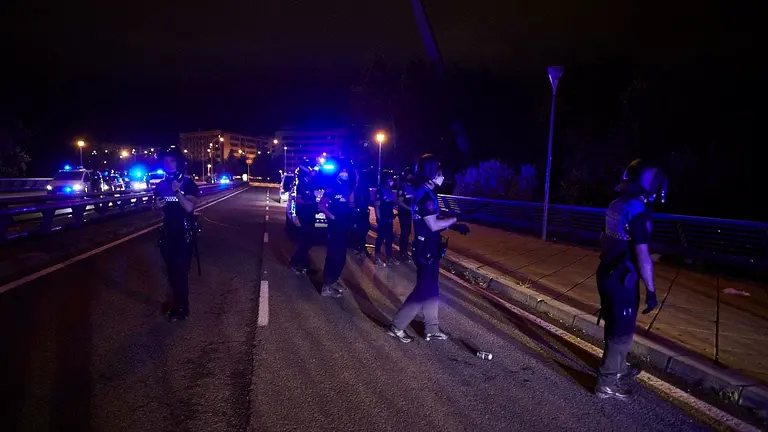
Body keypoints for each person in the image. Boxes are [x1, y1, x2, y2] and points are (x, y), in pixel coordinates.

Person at [594, 159, 667, 399]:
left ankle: (617, 367)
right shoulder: (638, 213)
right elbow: (643, 257)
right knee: (622, 331)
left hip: (606, 273)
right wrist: (651, 291)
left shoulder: (616, 204)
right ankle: (607, 383)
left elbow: (604, 240)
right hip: (623, 280)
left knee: (614, 322)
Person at [389, 154, 470, 343]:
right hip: (425, 248)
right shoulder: (424, 196)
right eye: (440, 173)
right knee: (423, 289)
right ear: (431, 174)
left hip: (429, 246)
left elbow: (433, 219)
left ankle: (431, 328)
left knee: (432, 287)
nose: (443, 177)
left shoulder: (425, 193)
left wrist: (454, 224)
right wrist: (456, 219)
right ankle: (397, 326)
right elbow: (433, 225)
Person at [153, 146, 200, 322]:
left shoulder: (188, 183)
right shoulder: (160, 185)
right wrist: (156, 206)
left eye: (172, 161)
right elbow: (156, 208)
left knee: (180, 271)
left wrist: (177, 192)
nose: (168, 164)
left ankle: (182, 308)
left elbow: (189, 207)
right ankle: (177, 304)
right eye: (166, 161)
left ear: (179, 163)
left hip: (184, 233)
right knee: (171, 272)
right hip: (167, 233)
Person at [318, 161, 355, 298]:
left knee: (341, 258)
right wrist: (332, 217)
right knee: (333, 256)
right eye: (343, 172)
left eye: (346, 172)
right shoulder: (331, 188)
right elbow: (321, 206)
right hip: (335, 228)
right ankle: (326, 286)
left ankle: (334, 280)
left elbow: (350, 203)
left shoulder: (347, 188)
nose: (345, 174)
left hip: (344, 227)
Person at [289, 158, 317, 274]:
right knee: (306, 242)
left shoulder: (310, 183)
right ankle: (295, 262)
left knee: (309, 242)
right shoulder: (302, 184)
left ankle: (305, 265)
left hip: (310, 216)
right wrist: (311, 203)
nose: (314, 172)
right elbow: (299, 200)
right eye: (313, 170)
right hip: (304, 216)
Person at [374, 173, 398, 266]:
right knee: (380, 238)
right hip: (382, 218)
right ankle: (377, 257)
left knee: (389, 238)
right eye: (390, 179)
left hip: (389, 218)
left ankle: (389, 257)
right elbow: (377, 206)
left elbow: (393, 203)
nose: (392, 181)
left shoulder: (390, 190)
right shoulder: (380, 191)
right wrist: (378, 218)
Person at [351, 168, 372, 258]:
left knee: (364, 229)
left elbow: (368, 199)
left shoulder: (363, 188)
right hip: (358, 211)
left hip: (363, 211)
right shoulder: (355, 188)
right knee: (359, 230)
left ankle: (360, 246)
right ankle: (360, 247)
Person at [397, 168, 416, 262]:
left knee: (408, 232)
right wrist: (410, 208)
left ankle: (405, 250)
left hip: (410, 213)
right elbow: (400, 202)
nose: (411, 177)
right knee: (404, 232)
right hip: (403, 213)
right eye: (410, 175)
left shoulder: (413, 186)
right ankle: (402, 252)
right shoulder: (402, 187)